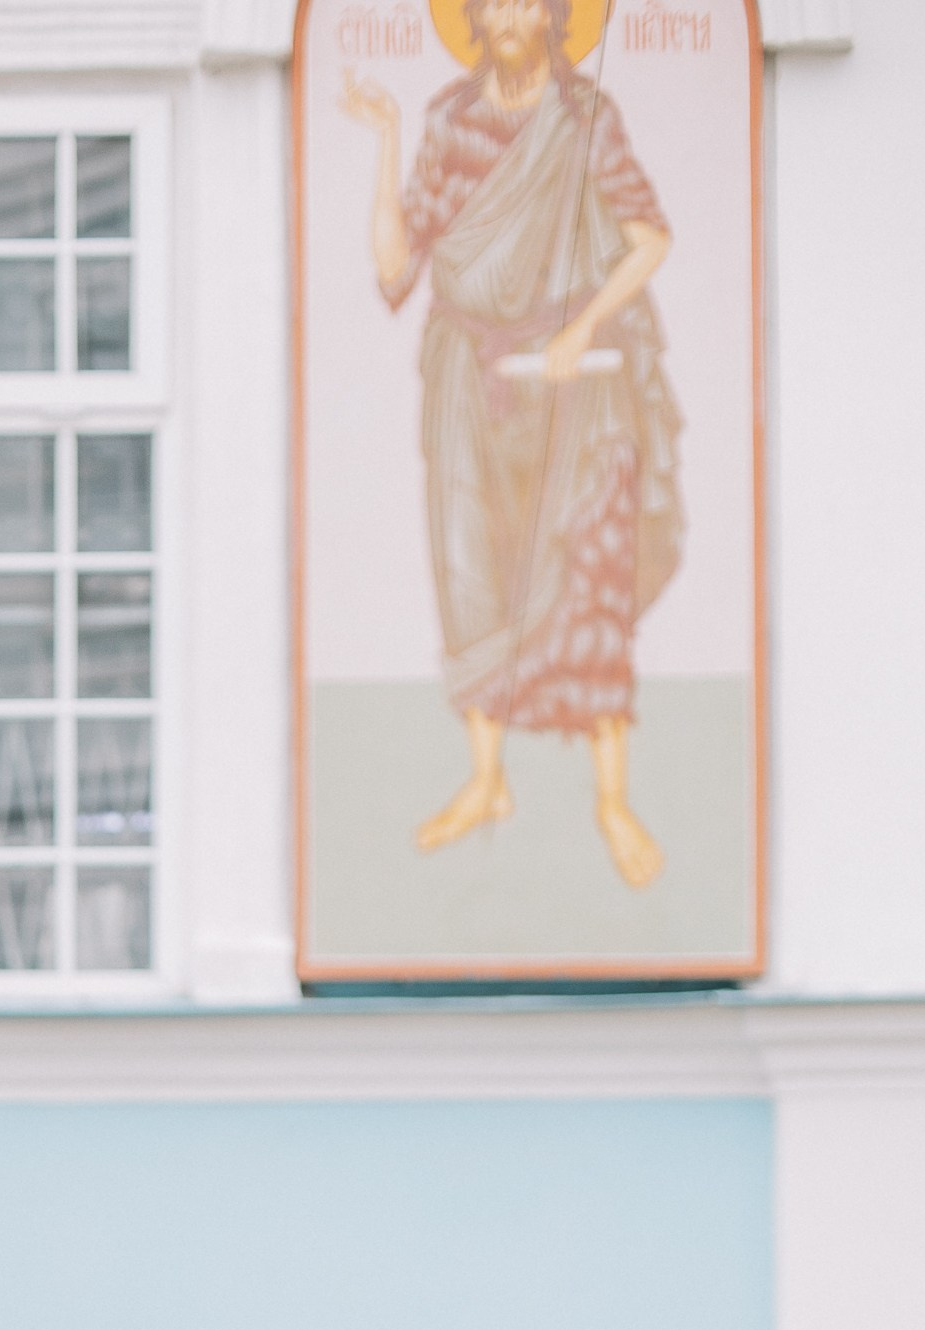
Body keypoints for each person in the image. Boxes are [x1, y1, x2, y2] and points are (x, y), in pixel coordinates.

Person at [340, 0, 680, 888]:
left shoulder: (583, 118)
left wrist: (581, 327)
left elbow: (648, 240)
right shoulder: (451, 120)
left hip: (572, 374)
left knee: (588, 567)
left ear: (556, 17)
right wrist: (383, 139)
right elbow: (394, 262)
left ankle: (611, 798)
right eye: (492, 2)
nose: (508, 13)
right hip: (467, 373)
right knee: (469, 571)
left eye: (527, 1)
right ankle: (486, 780)